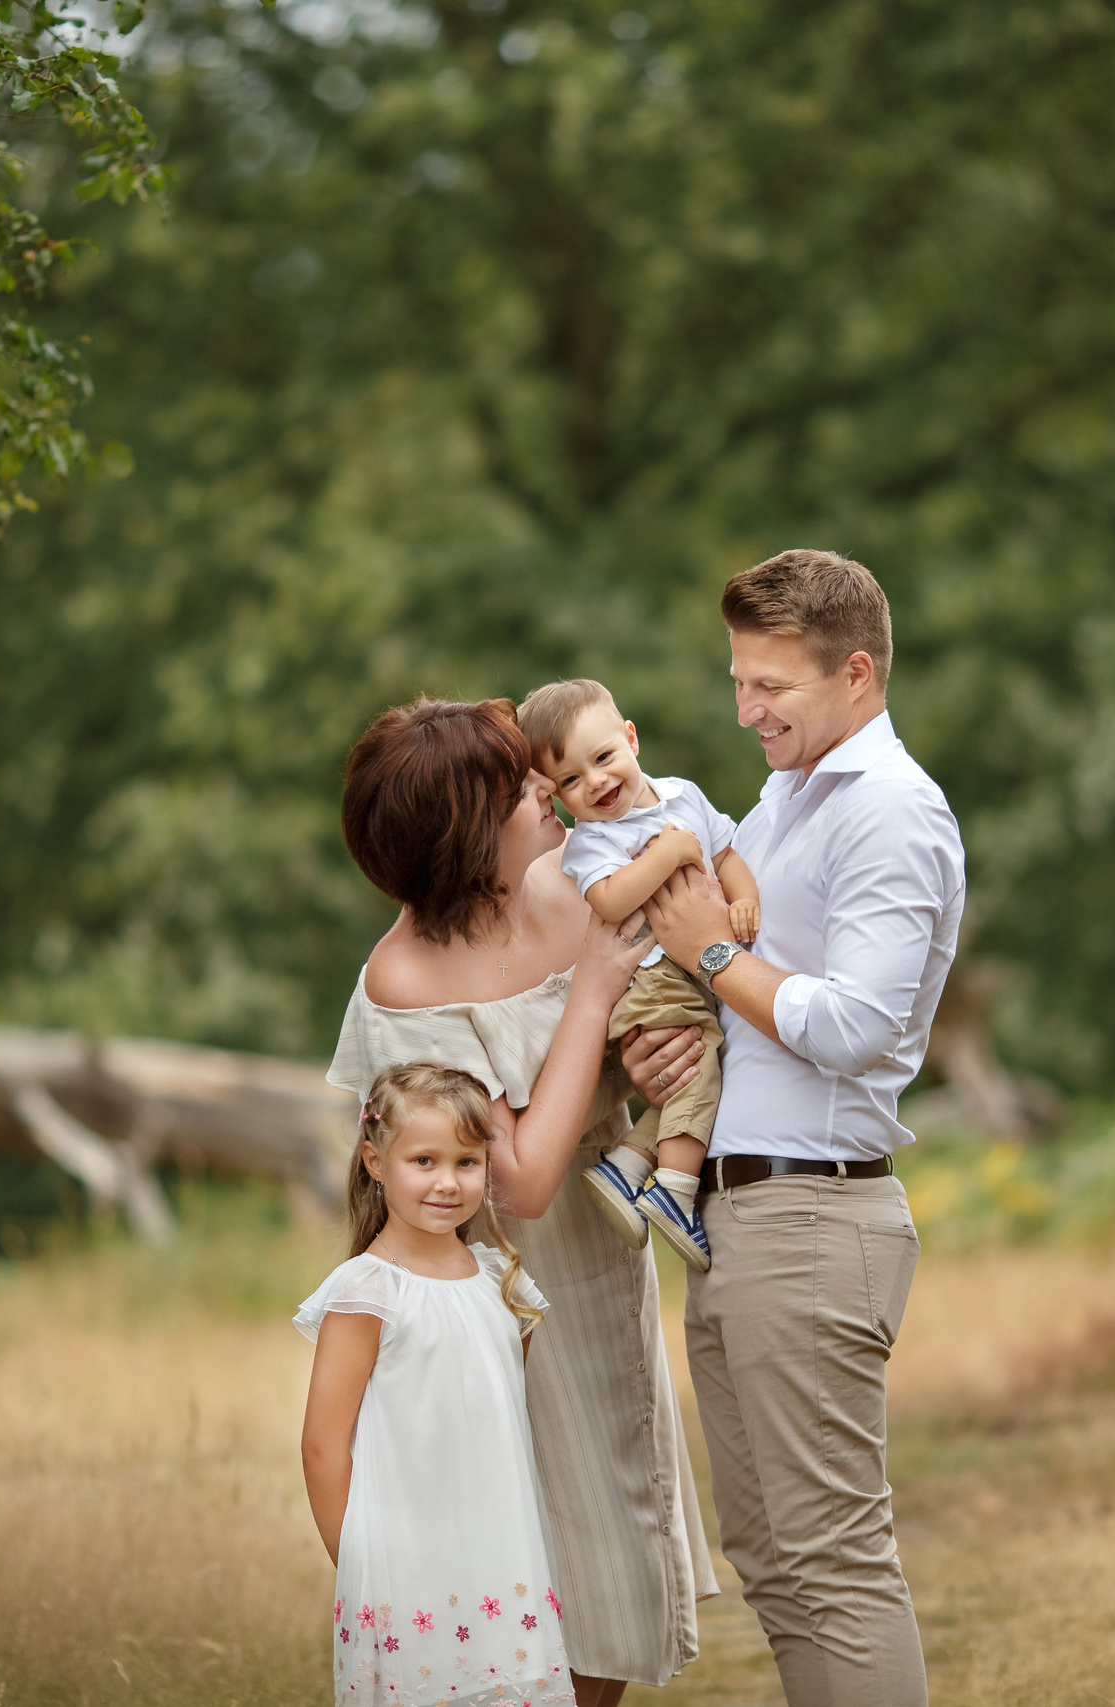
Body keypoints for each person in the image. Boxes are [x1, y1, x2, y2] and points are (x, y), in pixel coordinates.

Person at [328, 697, 719, 1707]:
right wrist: (592, 995)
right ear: (464, 835)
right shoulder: (407, 979)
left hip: (595, 1268)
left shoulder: (571, 883)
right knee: (521, 1569)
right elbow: (522, 1184)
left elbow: (674, 997)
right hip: (492, 1295)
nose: (547, 791)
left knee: (607, 1559)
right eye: (517, 789)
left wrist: (667, 1047)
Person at [641, 549, 964, 1707]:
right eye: (738, 679)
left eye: (772, 684)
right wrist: (684, 1038)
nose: (746, 708)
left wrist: (714, 961)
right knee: (774, 1562)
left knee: (834, 1562)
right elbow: (759, 1005)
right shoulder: (785, 801)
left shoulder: (890, 811)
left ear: (858, 673)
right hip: (742, 1213)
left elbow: (858, 1027)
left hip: (817, 1214)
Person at [296, 1062, 572, 1707]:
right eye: (424, 1160)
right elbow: (322, 1448)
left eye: (467, 1163)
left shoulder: (499, 1278)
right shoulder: (367, 1291)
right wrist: (361, 1570)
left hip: (502, 1557)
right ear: (375, 1159)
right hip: (405, 1568)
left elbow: (496, 1418)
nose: (448, 1182)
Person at [514, 677, 762, 1271]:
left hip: (692, 971)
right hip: (650, 979)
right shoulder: (591, 842)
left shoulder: (683, 797)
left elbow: (726, 856)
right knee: (697, 1066)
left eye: (602, 759)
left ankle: (627, 1168)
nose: (595, 782)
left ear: (631, 739)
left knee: (699, 1071)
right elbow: (609, 900)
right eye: (571, 780)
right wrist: (670, 854)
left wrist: (744, 898)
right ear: (559, 795)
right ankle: (675, 1191)